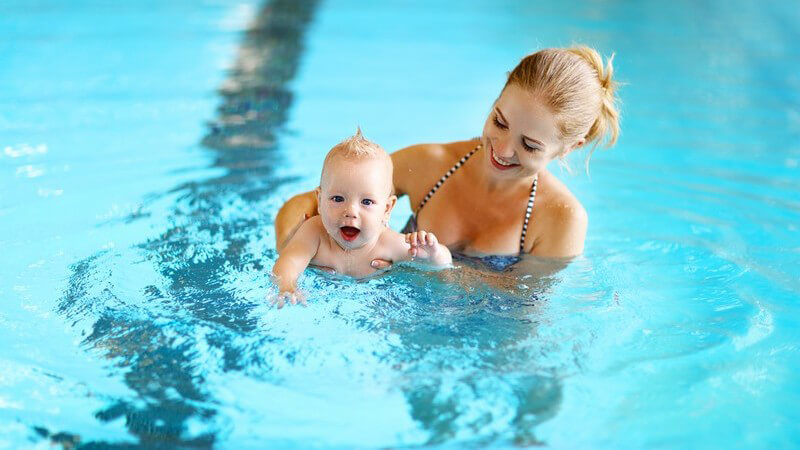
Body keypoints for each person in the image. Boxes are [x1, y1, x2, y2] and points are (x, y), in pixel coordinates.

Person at [275, 46, 620, 272]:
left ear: (568, 148)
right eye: (499, 122)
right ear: (498, 96)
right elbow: (309, 202)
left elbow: (521, 314)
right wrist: (296, 253)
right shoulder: (432, 164)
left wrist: (437, 270)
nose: (502, 149)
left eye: (529, 146)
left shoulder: (561, 218)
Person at [271, 130, 452, 307]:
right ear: (319, 200)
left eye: (366, 202)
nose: (351, 211)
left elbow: (444, 264)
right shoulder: (314, 232)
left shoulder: (387, 243)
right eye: (338, 199)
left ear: (387, 209)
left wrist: (433, 254)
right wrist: (287, 285)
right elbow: (289, 262)